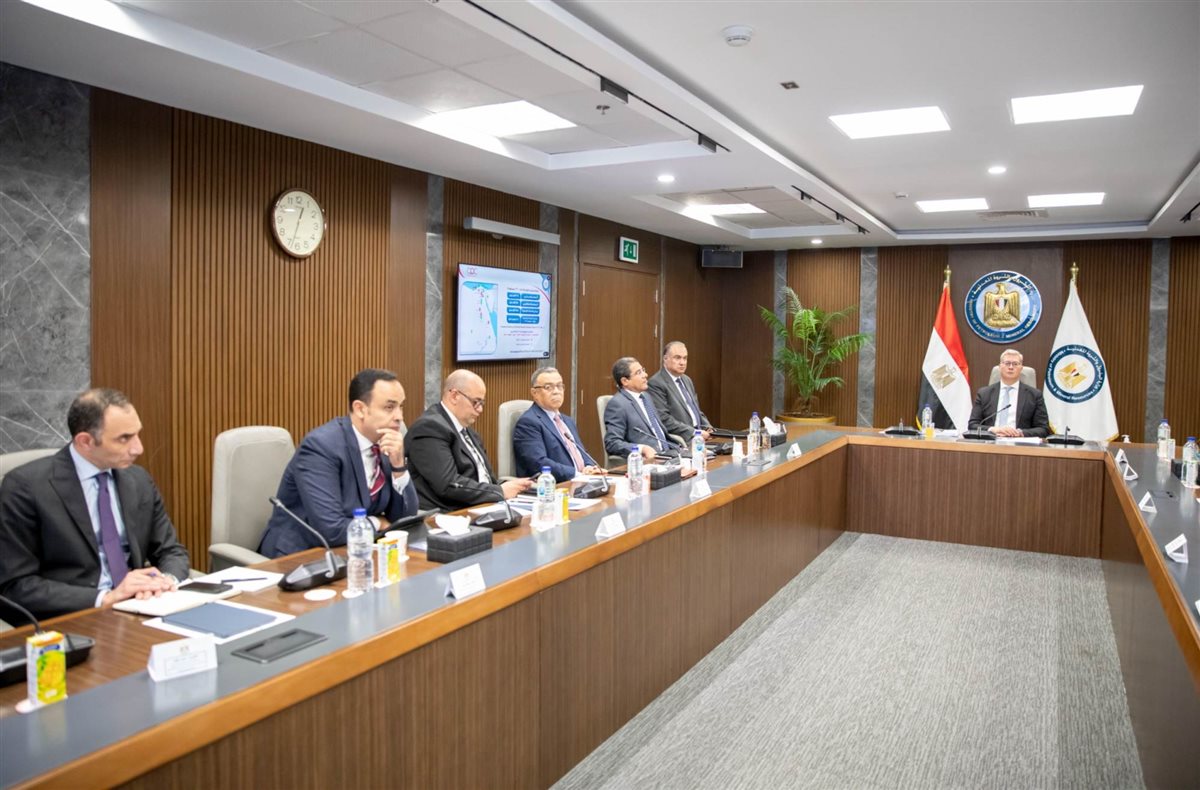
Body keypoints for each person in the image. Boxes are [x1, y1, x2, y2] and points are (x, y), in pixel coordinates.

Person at [0, 389, 189, 620]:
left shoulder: (138, 479)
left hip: (138, 606)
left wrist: (165, 581)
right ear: (86, 441)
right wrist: (106, 598)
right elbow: (16, 586)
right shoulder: (25, 487)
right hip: (71, 617)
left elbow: (171, 551)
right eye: (124, 438)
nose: (138, 448)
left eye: (137, 434)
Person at [258, 369, 419, 558]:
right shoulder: (321, 447)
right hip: (300, 556)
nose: (399, 416)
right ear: (360, 409)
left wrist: (398, 466)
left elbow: (406, 520)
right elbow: (331, 530)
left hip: (355, 552)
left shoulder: (384, 443)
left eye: (401, 407)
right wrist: (378, 522)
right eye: (389, 407)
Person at [406, 370, 532, 511]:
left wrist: (509, 487)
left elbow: (485, 478)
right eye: (476, 402)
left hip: (483, 505)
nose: (480, 409)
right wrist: (499, 491)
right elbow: (449, 484)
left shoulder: (468, 431)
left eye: (482, 403)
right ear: (454, 396)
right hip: (450, 513)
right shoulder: (430, 428)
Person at [513, 367, 604, 482]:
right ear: (534, 393)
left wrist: (589, 467)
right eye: (548, 387)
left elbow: (581, 452)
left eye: (559, 386)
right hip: (554, 485)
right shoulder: (528, 423)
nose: (556, 391)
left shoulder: (567, 421)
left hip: (581, 481)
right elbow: (538, 463)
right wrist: (577, 474)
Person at [603, 357, 681, 462]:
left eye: (643, 370)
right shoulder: (617, 404)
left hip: (669, 453)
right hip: (649, 461)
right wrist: (641, 449)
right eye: (638, 373)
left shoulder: (646, 397)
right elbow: (612, 443)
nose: (645, 375)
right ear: (625, 381)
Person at [967, 349, 1050, 438]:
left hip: (1019, 443)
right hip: (991, 441)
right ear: (1000, 367)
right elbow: (973, 425)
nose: (1010, 367)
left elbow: (1043, 429)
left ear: (1021, 368)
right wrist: (993, 429)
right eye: (1007, 363)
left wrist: (1020, 433)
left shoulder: (1034, 395)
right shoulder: (984, 394)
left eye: (1015, 364)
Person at [648, 341, 713, 441]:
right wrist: (694, 432)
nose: (682, 363)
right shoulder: (656, 383)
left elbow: (696, 411)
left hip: (700, 438)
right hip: (681, 440)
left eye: (685, 358)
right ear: (665, 359)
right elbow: (663, 419)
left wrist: (707, 427)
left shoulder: (687, 380)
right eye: (677, 358)